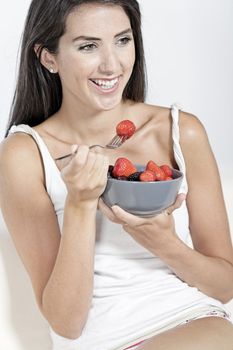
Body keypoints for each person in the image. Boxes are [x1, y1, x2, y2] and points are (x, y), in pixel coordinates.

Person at [0, 0, 233, 349]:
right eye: (88, 46)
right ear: (48, 57)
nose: (112, 65)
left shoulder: (180, 131)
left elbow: (224, 286)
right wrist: (80, 204)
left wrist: (165, 244)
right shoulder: (24, 154)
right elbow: (66, 323)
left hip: (192, 320)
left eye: (123, 40)